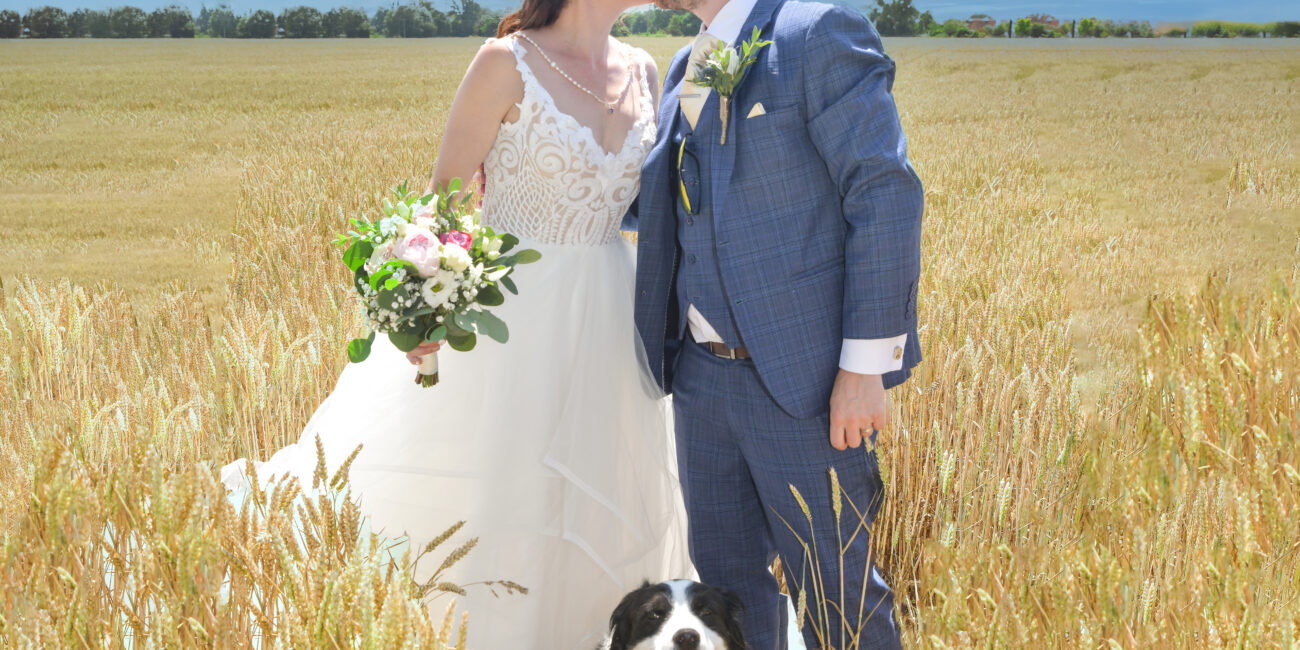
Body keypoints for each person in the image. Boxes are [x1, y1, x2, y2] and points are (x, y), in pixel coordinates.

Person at [221, 0, 692, 644]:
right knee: (505, 497)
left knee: (596, 498)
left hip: (612, 320)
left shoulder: (645, 70)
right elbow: (440, 204)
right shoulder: (507, 62)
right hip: (510, 320)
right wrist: (424, 313)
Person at [627, 0, 925, 645]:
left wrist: (863, 368)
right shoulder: (690, 60)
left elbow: (884, 192)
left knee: (834, 592)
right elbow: (679, 199)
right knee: (727, 592)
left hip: (806, 383)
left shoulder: (818, 31)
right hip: (702, 381)